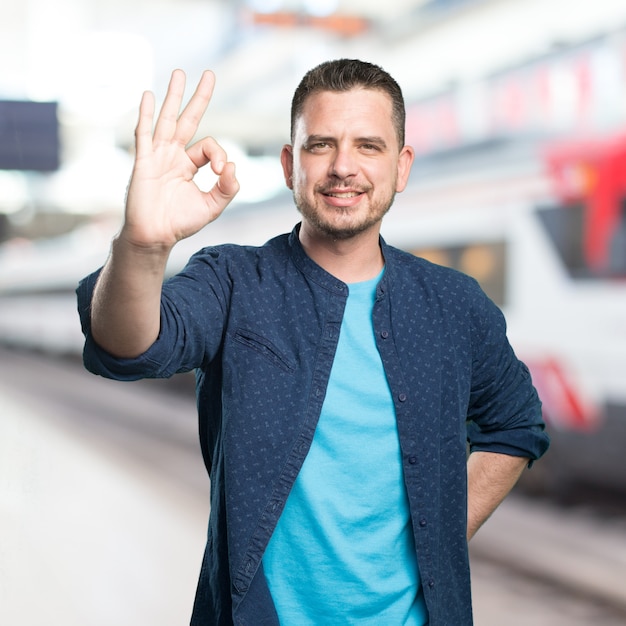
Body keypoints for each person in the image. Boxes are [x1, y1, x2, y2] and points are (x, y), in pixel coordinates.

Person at [77, 59, 549, 625]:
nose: (343, 167)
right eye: (320, 144)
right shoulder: (234, 282)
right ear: (289, 164)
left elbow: (516, 424)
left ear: (401, 168)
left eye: (368, 146)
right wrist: (143, 245)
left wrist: (440, 534)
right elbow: (128, 347)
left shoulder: (454, 305)